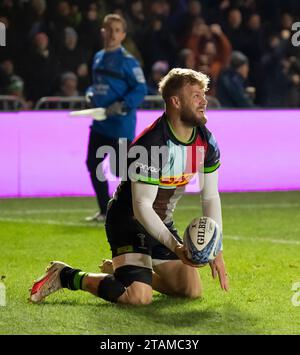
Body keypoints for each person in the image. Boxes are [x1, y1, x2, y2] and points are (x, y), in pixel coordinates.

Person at [29, 68, 229, 306]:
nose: (204, 100)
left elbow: (210, 197)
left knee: (191, 290)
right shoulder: (152, 144)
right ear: (176, 101)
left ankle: (125, 273)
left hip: (160, 222)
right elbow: (142, 206)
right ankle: (66, 276)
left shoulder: (206, 141)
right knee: (138, 298)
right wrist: (176, 246)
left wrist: (217, 249)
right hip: (128, 221)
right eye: (196, 95)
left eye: (203, 94)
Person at [85, 14, 147, 222]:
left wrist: (122, 105)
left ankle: (131, 212)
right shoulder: (98, 57)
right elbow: (97, 85)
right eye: (108, 29)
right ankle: (105, 211)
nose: (112, 34)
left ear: (123, 35)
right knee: (93, 163)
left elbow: (141, 89)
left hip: (121, 126)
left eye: (117, 30)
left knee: (124, 172)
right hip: (100, 124)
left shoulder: (128, 61)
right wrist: (90, 94)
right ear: (102, 31)